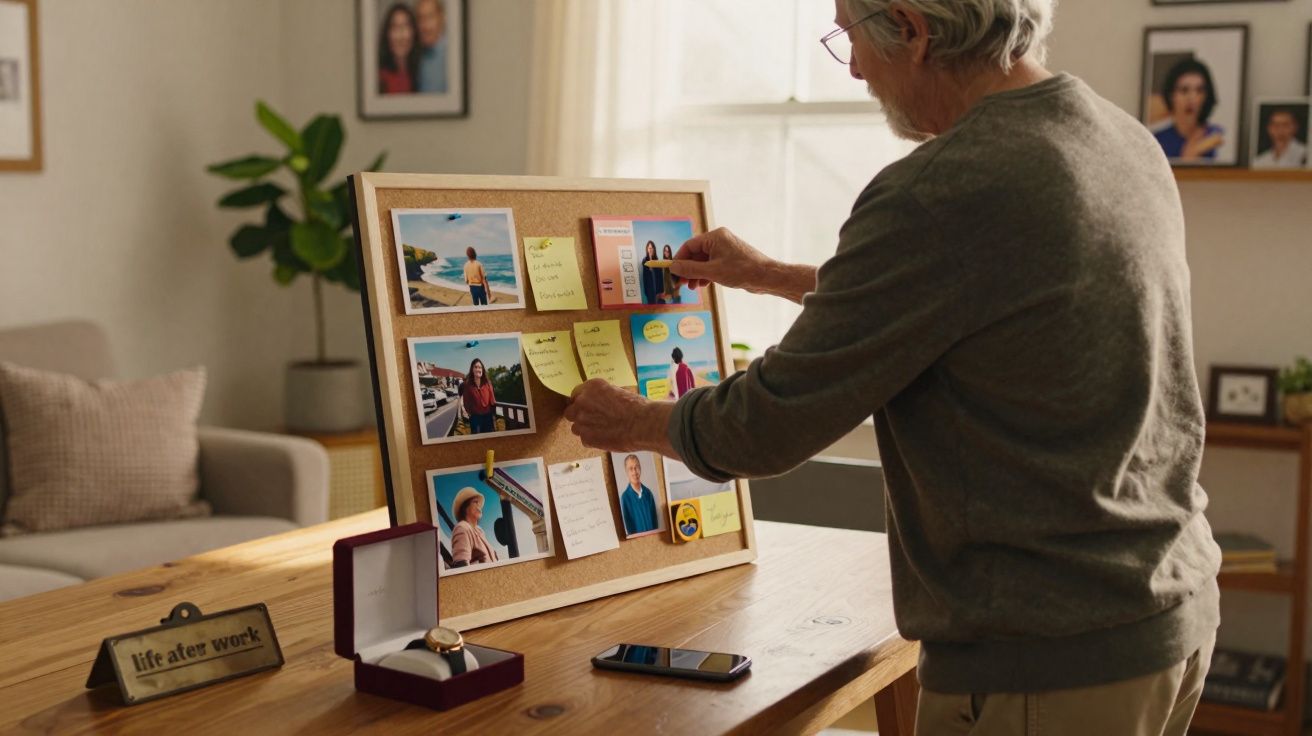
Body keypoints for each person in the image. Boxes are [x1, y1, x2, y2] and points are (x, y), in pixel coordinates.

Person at [564, 1, 1221, 734]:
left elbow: (764, 428)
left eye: (850, 33)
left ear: (912, 30)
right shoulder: (1116, 135)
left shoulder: (942, 188)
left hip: (1045, 655)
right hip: (1167, 611)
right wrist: (775, 276)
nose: (851, 65)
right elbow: (987, 305)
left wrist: (633, 420)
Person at [1153, 58, 1225, 163]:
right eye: (1184, 90)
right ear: (1171, 95)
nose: (1192, 98)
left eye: (1199, 91)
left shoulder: (1216, 134)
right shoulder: (1157, 140)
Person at [449, 487, 498, 567]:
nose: (479, 506)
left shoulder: (480, 531)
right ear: (465, 507)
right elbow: (461, 565)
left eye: (479, 503)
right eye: (475, 502)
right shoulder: (462, 528)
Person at [378, 3, 420, 95]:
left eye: (406, 26)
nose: (401, 36)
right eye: (395, 27)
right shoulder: (379, 77)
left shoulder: (422, 71)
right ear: (387, 34)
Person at [618, 454, 660, 535]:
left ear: (640, 469)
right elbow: (629, 527)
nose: (634, 472)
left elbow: (655, 521)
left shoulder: (648, 493)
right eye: (631, 469)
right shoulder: (625, 498)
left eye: (636, 467)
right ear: (627, 472)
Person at [414, 0, 449, 94]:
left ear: (441, 18)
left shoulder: (451, 56)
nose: (425, 26)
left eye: (430, 17)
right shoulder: (414, 55)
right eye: (420, 18)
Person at [460, 358, 496, 434]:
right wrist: (470, 414)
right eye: (475, 367)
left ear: (482, 370)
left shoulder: (488, 383)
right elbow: (466, 401)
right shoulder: (467, 385)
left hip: (488, 418)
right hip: (475, 419)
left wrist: (493, 416)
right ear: (472, 370)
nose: (478, 369)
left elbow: (492, 400)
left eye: (480, 367)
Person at [640, 241, 663, 305]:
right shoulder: (645, 260)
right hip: (649, 289)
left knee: (660, 305)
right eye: (649, 248)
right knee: (651, 304)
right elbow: (646, 274)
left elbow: (660, 276)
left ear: (654, 249)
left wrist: (661, 290)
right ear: (647, 249)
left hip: (658, 289)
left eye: (651, 248)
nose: (650, 250)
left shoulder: (657, 260)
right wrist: (650, 258)